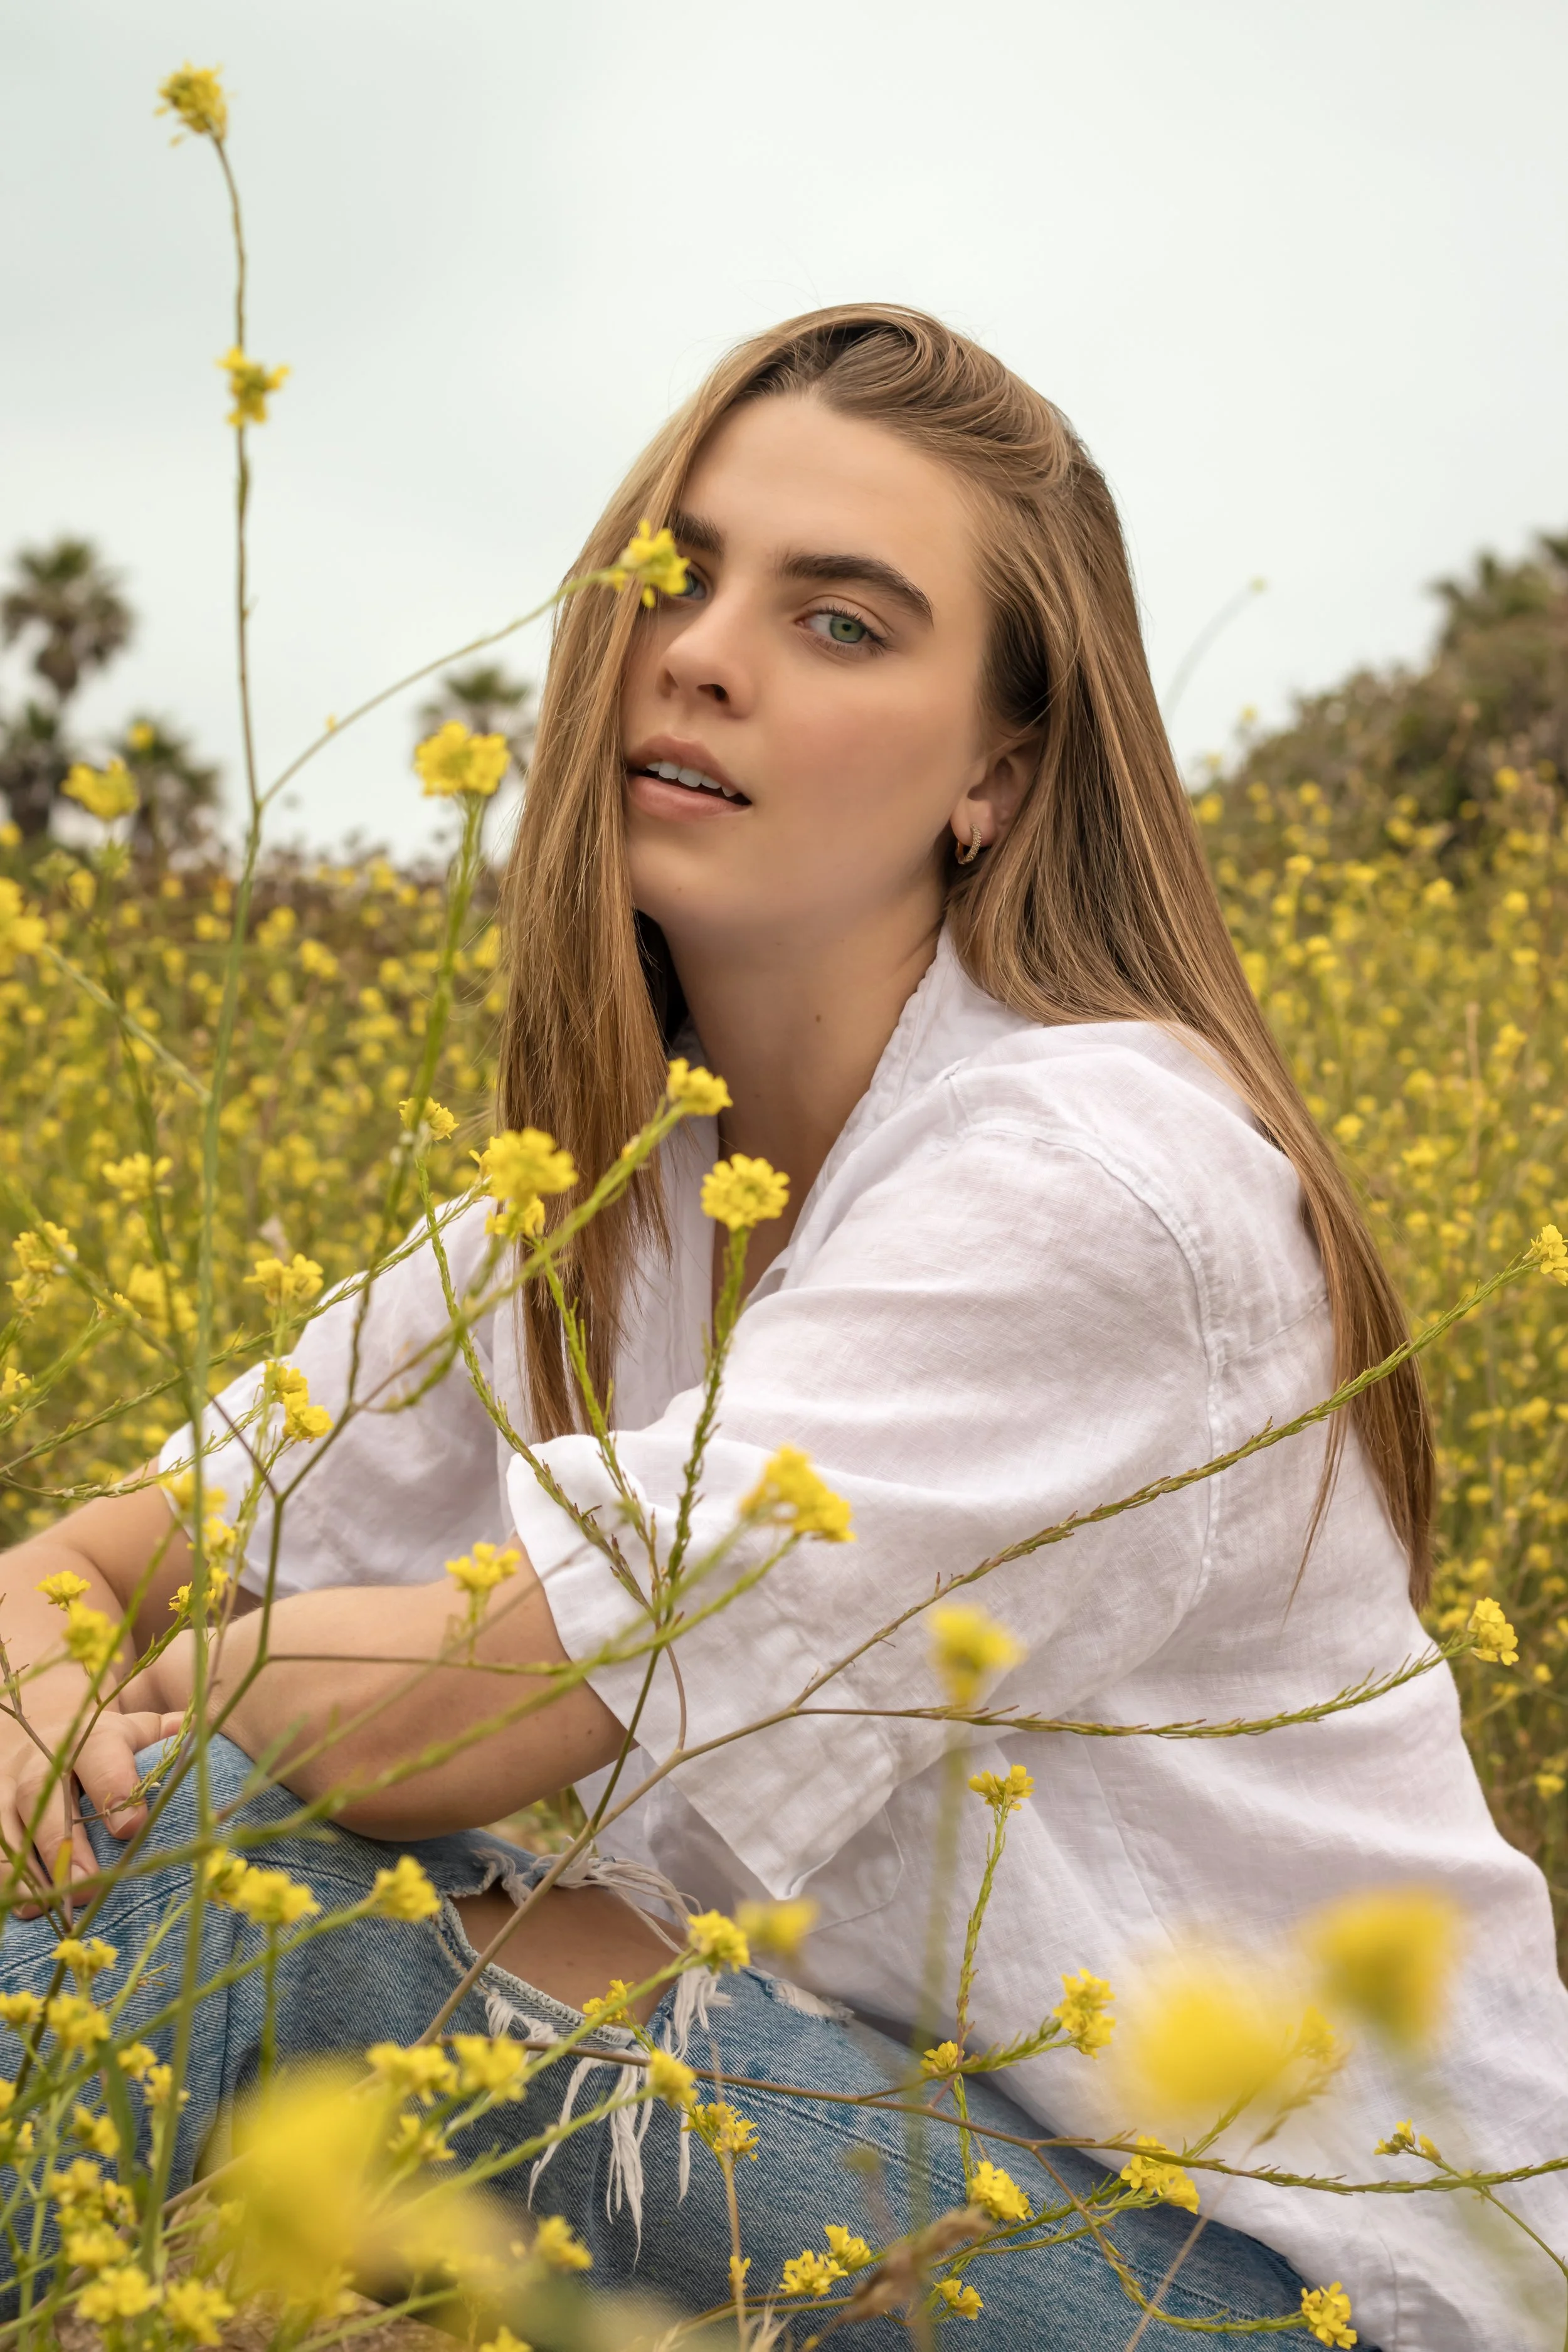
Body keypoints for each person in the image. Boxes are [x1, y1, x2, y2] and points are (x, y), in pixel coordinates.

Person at [2, 305, 1564, 2350]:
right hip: (925, 2147)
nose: (703, 653)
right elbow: (88, 1556)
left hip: (1288, 2284)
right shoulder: (617, 1198)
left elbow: (479, 1698)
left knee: (216, 1850)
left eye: (840, 622)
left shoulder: (1097, 1180)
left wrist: (132, 1710)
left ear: (995, 774)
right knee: (157, 1821)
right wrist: (46, 1689)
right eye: (675, 576)